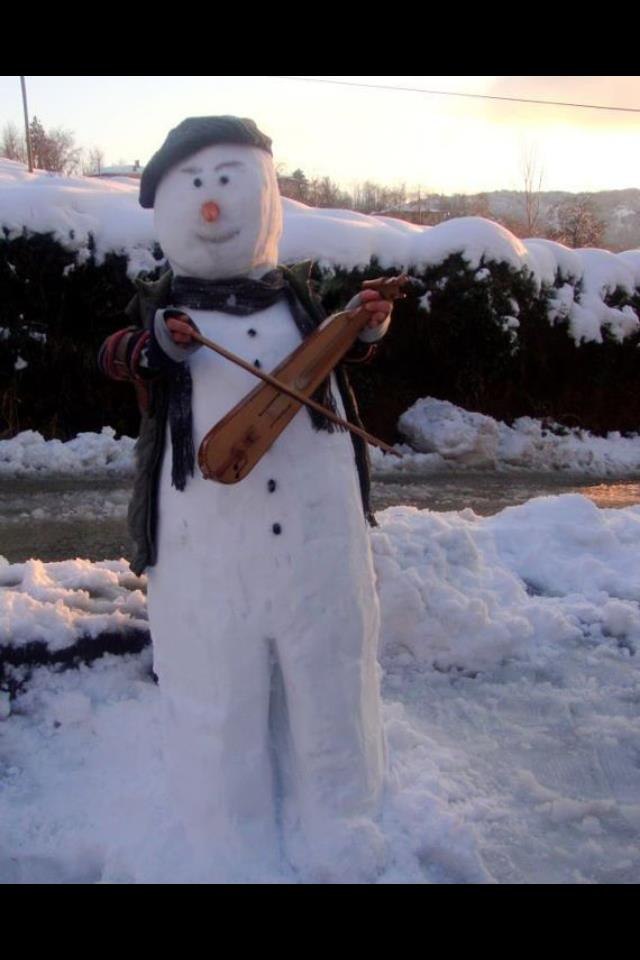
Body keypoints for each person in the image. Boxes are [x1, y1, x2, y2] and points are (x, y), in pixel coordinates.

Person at [99, 116, 393, 881]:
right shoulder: (162, 311)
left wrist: (365, 327)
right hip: (206, 548)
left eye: (228, 181)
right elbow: (116, 356)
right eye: (194, 185)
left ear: (266, 192)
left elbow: (339, 350)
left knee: (329, 675)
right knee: (216, 688)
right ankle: (226, 839)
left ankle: (341, 815)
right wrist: (156, 345)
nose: (211, 204)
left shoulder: (299, 301)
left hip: (316, 541)